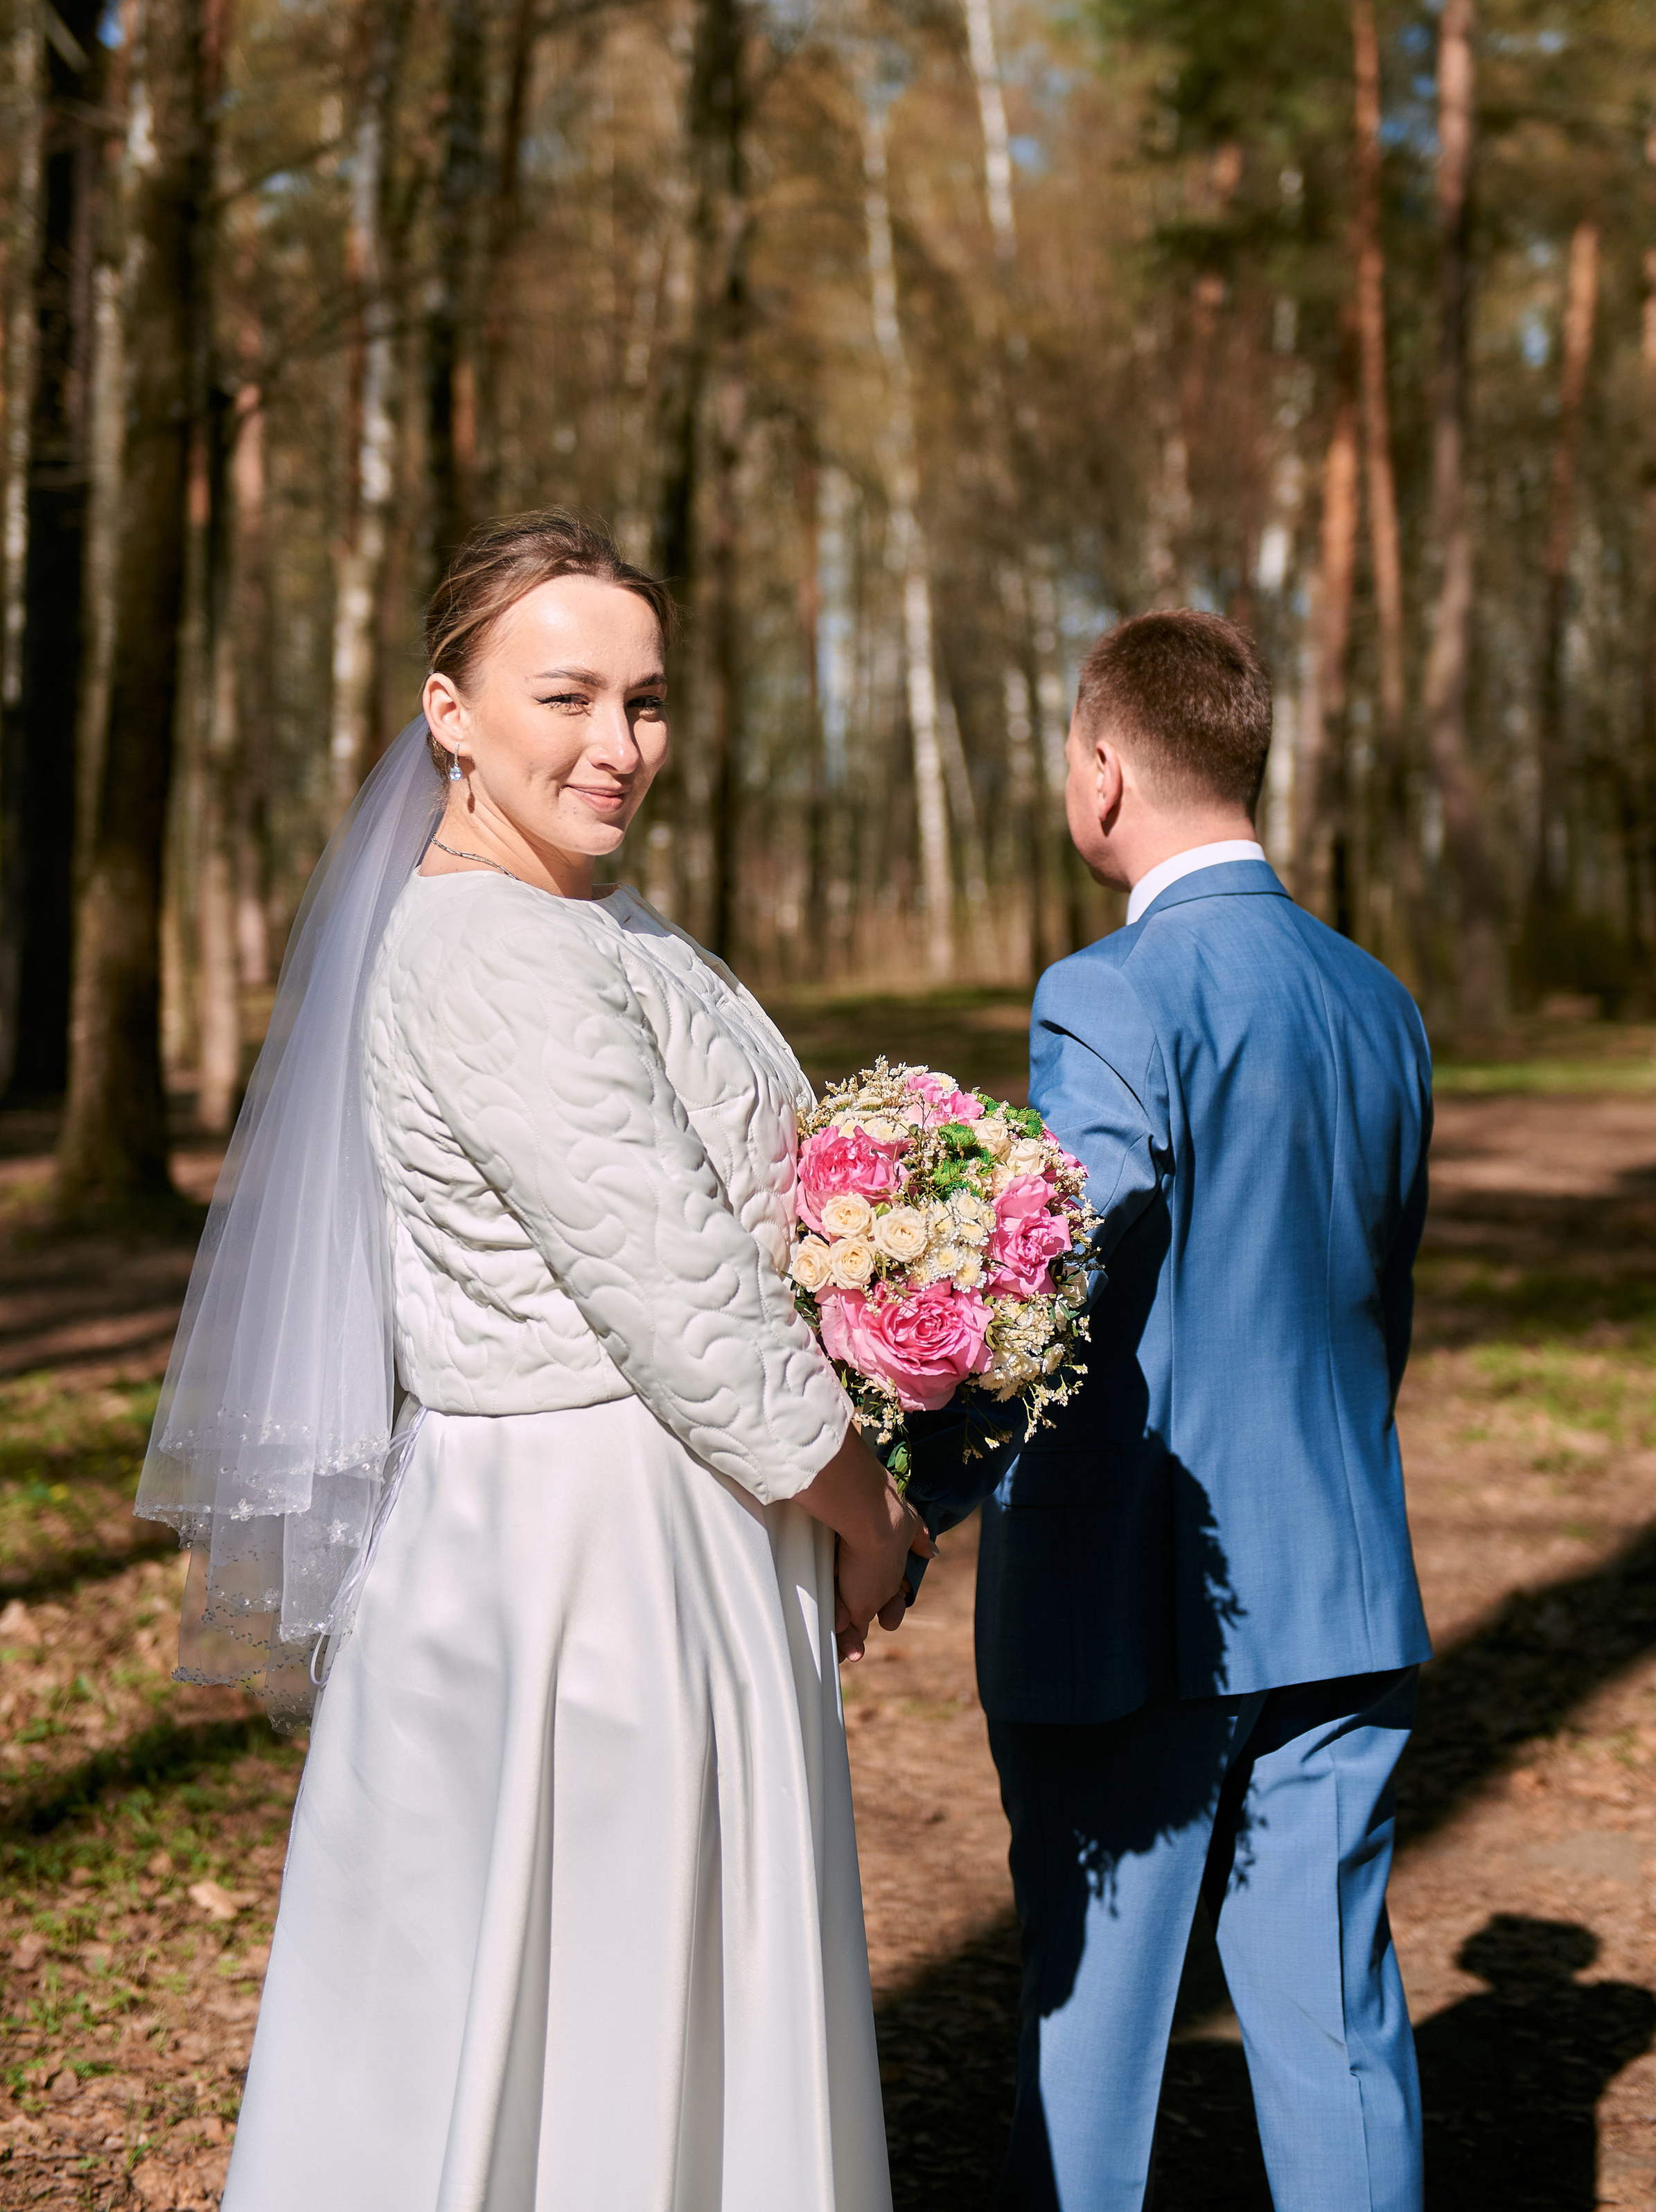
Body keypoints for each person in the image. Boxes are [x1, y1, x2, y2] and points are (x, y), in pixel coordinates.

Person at [141, 510, 924, 2212]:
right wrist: (866, 1511)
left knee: (638, 1998)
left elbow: (743, 1204)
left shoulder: (604, 921)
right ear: (448, 713)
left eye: (642, 702)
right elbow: (676, 1285)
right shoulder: (491, 946)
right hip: (584, 1560)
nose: (614, 744)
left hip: (672, 1527)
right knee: (589, 2007)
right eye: (564, 696)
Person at [974, 608, 1433, 2212]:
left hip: (1137, 1611)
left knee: (1093, 2051)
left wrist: (913, 1489)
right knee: (1335, 2032)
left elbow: (1062, 1281)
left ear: (1102, 773)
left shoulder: (1106, 994)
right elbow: (1381, 1292)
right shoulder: (1379, 1002)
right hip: (1343, 1582)